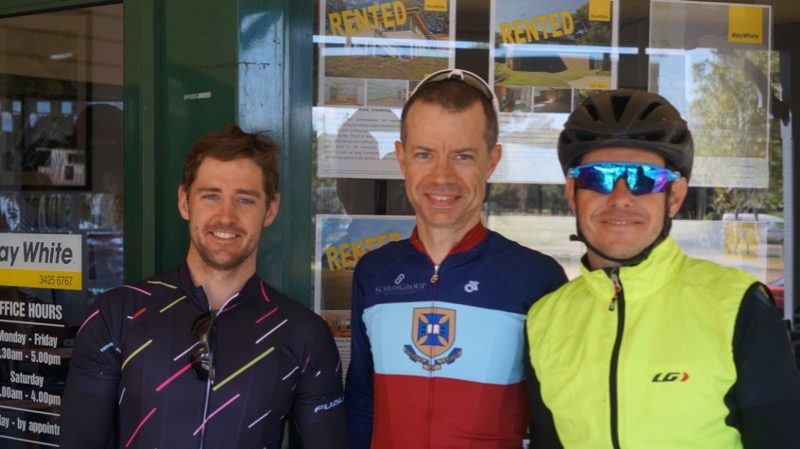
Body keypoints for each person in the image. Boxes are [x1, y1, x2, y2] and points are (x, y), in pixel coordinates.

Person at [525, 89, 800, 448]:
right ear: (572, 192)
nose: (620, 197)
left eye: (644, 178)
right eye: (598, 177)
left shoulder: (739, 306)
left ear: (674, 196)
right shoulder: (544, 320)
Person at [61, 124, 348, 448]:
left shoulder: (305, 334)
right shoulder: (116, 315)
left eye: (245, 200)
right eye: (211, 196)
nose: (225, 217)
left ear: (270, 209)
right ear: (184, 202)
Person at [345, 69, 568, 449]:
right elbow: (363, 400)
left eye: (462, 156)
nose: (441, 176)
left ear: (492, 161)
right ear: (402, 159)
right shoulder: (374, 272)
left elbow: (555, 421)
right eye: (424, 154)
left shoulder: (536, 277)